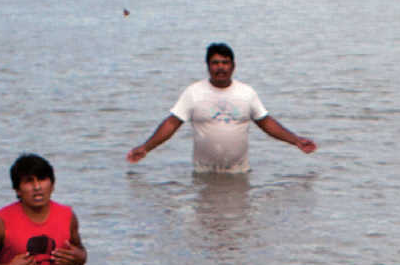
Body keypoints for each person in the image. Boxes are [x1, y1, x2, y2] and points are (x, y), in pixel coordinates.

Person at [125, 43, 316, 173]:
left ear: (233, 66)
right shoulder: (193, 92)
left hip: (239, 173)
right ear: (208, 66)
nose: (221, 67)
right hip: (203, 174)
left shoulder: (246, 93)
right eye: (215, 63)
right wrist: (146, 148)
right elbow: (171, 124)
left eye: (225, 63)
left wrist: (296, 140)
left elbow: (266, 123)